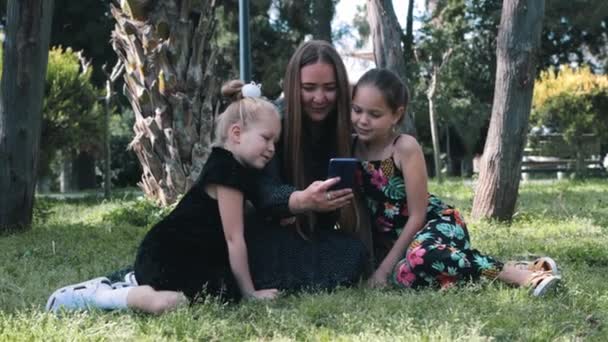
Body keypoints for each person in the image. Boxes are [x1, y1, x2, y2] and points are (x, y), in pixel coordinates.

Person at [45, 40, 370, 313]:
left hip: (292, 236)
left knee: (351, 255)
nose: (319, 98)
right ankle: (128, 284)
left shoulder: (350, 122)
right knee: (225, 282)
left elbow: (383, 164)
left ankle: (154, 282)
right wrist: (300, 200)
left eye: (329, 88)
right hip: (255, 234)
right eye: (309, 88)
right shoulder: (273, 122)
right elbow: (264, 193)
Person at [47, 82, 282, 313]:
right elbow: (234, 239)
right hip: (168, 256)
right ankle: (106, 294)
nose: (272, 148)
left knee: (219, 296)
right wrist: (250, 293)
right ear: (237, 133)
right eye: (266, 138)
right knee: (179, 302)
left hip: (188, 256)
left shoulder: (231, 165)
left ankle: (133, 285)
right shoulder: (228, 173)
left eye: (275, 142)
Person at [350, 68, 561, 296]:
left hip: (434, 225)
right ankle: (518, 265)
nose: (363, 120)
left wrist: (381, 271)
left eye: (374, 114)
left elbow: (417, 216)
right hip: (397, 244)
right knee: (403, 276)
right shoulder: (351, 148)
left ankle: (519, 276)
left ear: (396, 114)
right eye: (357, 110)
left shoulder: (403, 148)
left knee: (421, 258)